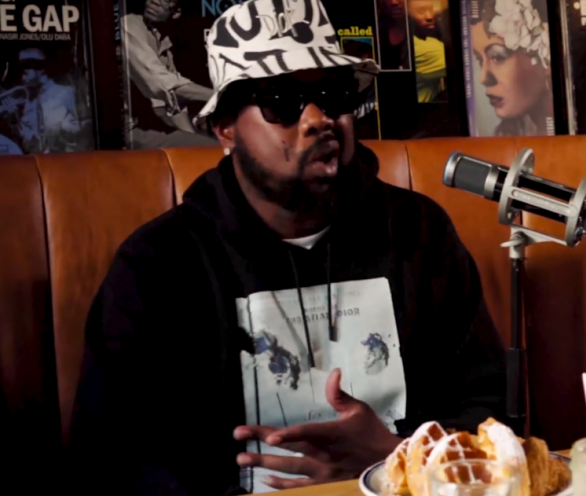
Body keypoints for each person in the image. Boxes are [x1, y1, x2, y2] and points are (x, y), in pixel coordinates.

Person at [68, 0, 506, 495]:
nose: (318, 118)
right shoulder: (159, 264)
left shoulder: (418, 230)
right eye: (281, 100)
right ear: (225, 129)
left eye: (333, 94)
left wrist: (394, 457)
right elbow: (113, 459)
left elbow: (485, 406)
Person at [122, 0, 218, 148]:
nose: (154, 1)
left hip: (154, 123)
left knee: (208, 147)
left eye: (165, 0)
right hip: (128, 131)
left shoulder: (161, 37)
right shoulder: (129, 25)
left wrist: (191, 138)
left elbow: (175, 103)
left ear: (176, 12)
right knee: (215, 150)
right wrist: (220, 95)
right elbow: (162, 83)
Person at [470, 0, 554, 136]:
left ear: (546, 56)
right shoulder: (503, 136)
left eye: (497, 57)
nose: (483, 78)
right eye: (480, 60)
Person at [0, 48, 82, 154]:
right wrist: (14, 122)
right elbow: (29, 142)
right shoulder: (27, 99)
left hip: (61, 156)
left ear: (38, 68)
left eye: (24, 71)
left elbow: (80, 133)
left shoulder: (64, 93)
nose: (21, 77)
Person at [409, 0, 447, 103]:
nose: (430, 17)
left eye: (431, 9)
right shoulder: (417, 47)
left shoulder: (429, 40)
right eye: (421, 11)